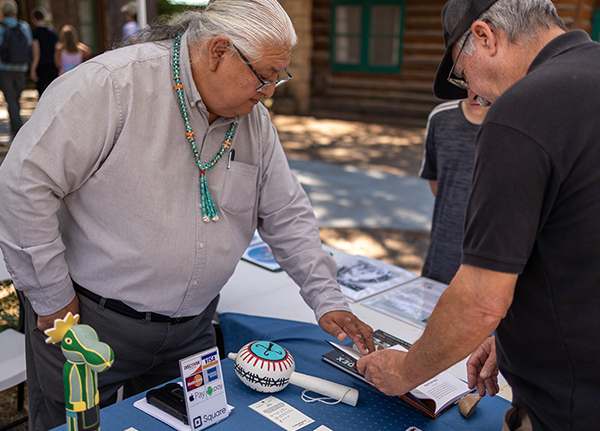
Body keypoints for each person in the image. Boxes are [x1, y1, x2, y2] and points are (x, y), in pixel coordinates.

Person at [0, 0, 374, 429]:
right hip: (89, 323)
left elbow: (287, 215)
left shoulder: (254, 121)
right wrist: (51, 298)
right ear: (218, 51)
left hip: (192, 330)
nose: (270, 90)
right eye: (265, 76)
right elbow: (22, 186)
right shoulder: (111, 85)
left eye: (278, 77)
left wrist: (327, 298)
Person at [357, 0, 600, 430]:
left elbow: (481, 301)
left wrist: (406, 371)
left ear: (485, 37)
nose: (473, 92)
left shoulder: (522, 110)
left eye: (461, 71)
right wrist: (515, 337)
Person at [419, 90, 488, 284]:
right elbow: (435, 181)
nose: (474, 93)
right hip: (443, 249)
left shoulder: (516, 122)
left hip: (489, 255)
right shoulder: (440, 118)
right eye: (466, 82)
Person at [0, 0, 32, 136]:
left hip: (4, 67)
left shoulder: (1, 27)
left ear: (2, 13)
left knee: (11, 99)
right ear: (15, 12)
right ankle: (17, 125)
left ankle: (18, 129)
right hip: (21, 67)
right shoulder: (24, 26)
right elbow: (29, 43)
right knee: (17, 97)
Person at [30, 7, 59, 96]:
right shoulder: (53, 31)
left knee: (42, 93)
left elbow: (37, 53)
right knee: (53, 92)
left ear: (33, 19)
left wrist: (32, 69)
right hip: (53, 65)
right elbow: (57, 49)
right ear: (45, 18)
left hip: (42, 66)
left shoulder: (35, 33)